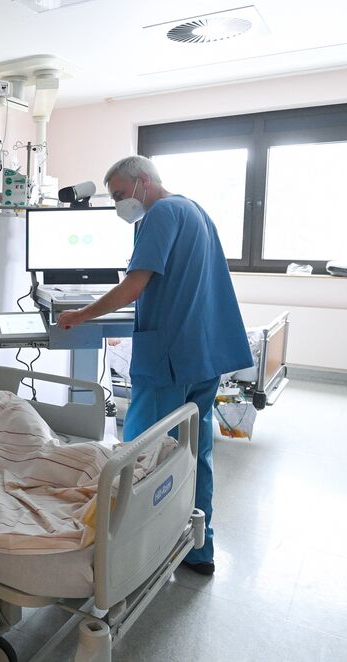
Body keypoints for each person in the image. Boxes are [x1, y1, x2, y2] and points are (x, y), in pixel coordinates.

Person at [56, 155, 252, 575]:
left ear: (143, 180)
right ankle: (198, 547)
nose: (119, 204)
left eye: (119, 194)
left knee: (141, 456)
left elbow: (133, 287)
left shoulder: (160, 213)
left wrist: (80, 315)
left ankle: (131, 553)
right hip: (203, 354)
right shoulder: (195, 210)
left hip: (169, 360)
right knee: (194, 453)